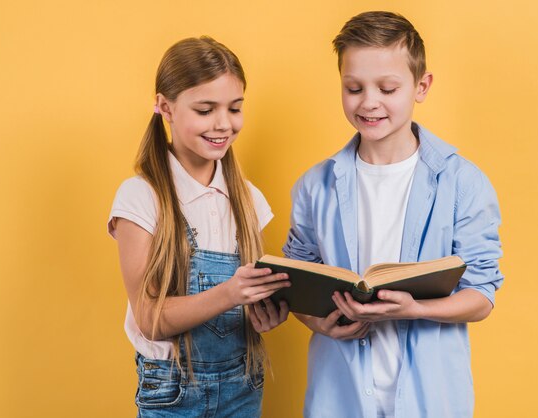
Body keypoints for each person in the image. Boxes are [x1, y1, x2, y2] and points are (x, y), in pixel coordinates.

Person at [283, 11, 504, 418]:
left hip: (432, 400)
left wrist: (414, 309)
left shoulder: (463, 183)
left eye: (387, 88)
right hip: (338, 397)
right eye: (353, 88)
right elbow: (295, 284)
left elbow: (482, 295)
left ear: (421, 86)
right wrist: (319, 324)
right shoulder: (315, 186)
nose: (369, 102)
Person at [108, 36, 290, 417]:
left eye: (235, 108)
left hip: (243, 385)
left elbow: (248, 305)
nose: (223, 124)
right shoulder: (141, 198)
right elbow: (150, 320)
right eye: (205, 110)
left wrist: (265, 314)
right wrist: (230, 293)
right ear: (164, 107)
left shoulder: (249, 200)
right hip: (172, 392)